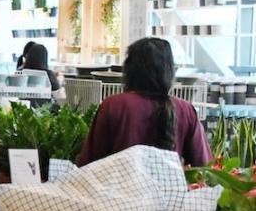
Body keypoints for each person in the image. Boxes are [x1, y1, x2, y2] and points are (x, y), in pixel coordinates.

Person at [78, 37, 211, 167]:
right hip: (170, 189)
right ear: (169, 71)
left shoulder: (113, 105)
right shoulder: (185, 110)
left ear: (129, 70)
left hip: (119, 188)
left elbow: (88, 164)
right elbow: (204, 167)